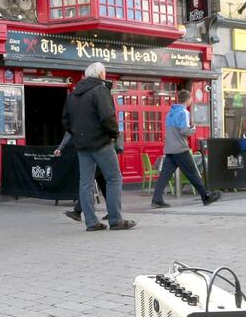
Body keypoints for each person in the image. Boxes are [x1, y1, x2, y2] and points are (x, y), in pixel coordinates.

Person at [62, 62, 135, 231]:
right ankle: (116, 220)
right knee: (114, 178)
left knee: (85, 183)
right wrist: (113, 134)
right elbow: (107, 116)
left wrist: (78, 135)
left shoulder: (73, 95)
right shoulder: (100, 90)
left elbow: (66, 121)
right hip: (101, 143)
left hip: (82, 145)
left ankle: (91, 222)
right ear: (101, 73)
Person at [151, 90, 221, 208]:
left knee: (164, 176)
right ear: (188, 99)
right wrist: (192, 130)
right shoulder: (184, 113)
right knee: (193, 172)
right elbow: (184, 131)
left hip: (170, 149)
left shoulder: (169, 113)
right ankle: (206, 196)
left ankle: (156, 199)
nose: (191, 101)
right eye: (191, 99)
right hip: (181, 148)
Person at [54, 132, 108, 221]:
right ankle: (113, 211)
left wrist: (60, 148)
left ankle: (78, 211)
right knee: (102, 183)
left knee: (87, 183)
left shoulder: (78, 119)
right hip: (101, 151)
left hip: (92, 153)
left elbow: (69, 133)